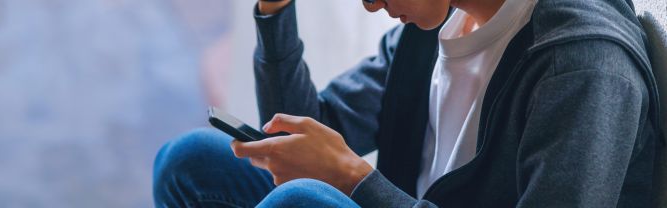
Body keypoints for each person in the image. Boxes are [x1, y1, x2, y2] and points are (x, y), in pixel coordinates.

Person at [153, 0, 663, 206]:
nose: (371, 4)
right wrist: (274, 9)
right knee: (190, 160)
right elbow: (306, 131)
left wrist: (354, 180)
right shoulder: (438, 25)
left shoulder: (581, 64)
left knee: (300, 204)